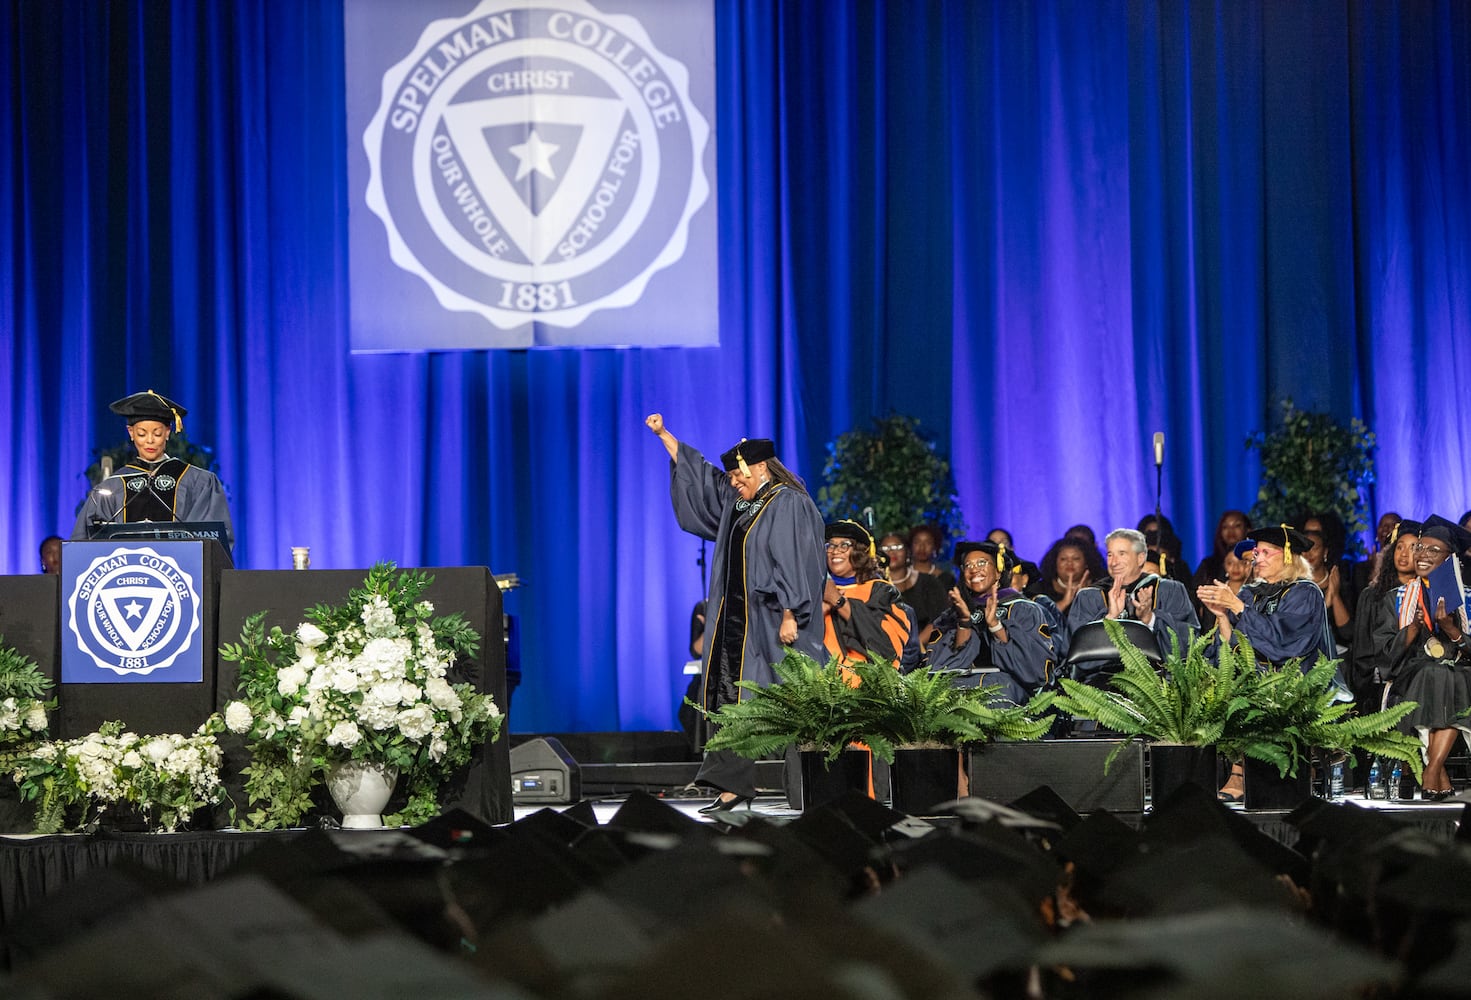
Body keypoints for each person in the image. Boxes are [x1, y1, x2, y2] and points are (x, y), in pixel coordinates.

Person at [647, 414, 826, 813]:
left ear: (761, 467)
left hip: (772, 621)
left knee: (793, 699)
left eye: (738, 475)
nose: (732, 482)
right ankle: (732, 786)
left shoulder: (788, 503)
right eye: (731, 477)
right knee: (730, 697)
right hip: (735, 624)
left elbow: (796, 562)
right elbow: (703, 478)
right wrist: (665, 436)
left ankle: (816, 783)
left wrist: (792, 613)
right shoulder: (740, 502)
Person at [1198, 525, 1337, 802]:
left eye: (1263, 552)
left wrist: (1237, 608)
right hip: (1258, 678)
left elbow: (1285, 645)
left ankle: (1242, 772)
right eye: (1255, 553)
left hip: (1296, 683)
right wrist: (1222, 617)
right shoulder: (1251, 595)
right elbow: (1235, 649)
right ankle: (1239, 769)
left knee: (1255, 692)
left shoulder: (1305, 593)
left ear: (1287, 556)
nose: (1255, 558)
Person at [1372, 515, 1471, 801]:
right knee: (1438, 674)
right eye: (1420, 548)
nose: (1422, 555)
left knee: (1448, 675)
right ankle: (1436, 773)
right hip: (1409, 675)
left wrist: (1452, 630)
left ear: (1451, 559)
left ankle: (1433, 770)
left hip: (1461, 673)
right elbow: (1384, 654)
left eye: (1432, 550)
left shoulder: (1467, 599)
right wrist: (1413, 628)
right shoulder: (1397, 598)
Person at [70, 391, 234, 548]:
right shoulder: (113, 485)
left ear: (168, 433)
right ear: (131, 433)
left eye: (157, 433)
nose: (149, 441)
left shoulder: (198, 481)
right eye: (142, 434)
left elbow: (212, 540)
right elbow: (85, 539)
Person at [927, 541, 1058, 705]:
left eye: (981, 562)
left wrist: (996, 626)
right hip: (959, 689)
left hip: (1007, 691)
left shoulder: (1023, 610)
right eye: (968, 565)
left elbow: (1035, 671)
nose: (974, 569)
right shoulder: (952, 615)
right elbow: (937, 671)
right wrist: (964, 623)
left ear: (998, 572)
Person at [1066, 528, 1199, 678]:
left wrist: (1150, 619)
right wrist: (1110, 618)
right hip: (1099, 687)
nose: (1114, 562)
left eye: (1122, 554)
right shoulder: (1088, 596)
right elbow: (1075, 652)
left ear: (1141, 558)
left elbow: (1188, 643)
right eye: (1110, 555)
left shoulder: (1170, 591)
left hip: (1160, 688)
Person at [821, 521, 910, 666]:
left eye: (844, 545)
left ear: (860, 552)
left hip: (867, 684)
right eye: (830, 545)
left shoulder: (881, 592)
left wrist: (838, 601)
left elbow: (887, 647)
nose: (835, 551)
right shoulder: (815, 590)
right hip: (819, 683)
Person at [877, 531, 949, 632]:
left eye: (897, 547)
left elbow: (940, 616)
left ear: (907, 551)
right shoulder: (874, 586)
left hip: (927, 644)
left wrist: (918, 643)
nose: (891, 552)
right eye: (885, 548)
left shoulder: (929, 582)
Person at [1191, 510, 1252, 618]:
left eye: (1237, 526)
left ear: (1248, 529)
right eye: (1225, 527)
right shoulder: (1209, 565)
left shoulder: (1257, 565)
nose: (1231, 531)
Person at [909, 524, 956, 590]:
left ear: (934, 546)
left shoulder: (945, 579)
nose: (922, 547)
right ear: (911, 545)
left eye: (928, 543)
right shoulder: (902, 577)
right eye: (917, 542)